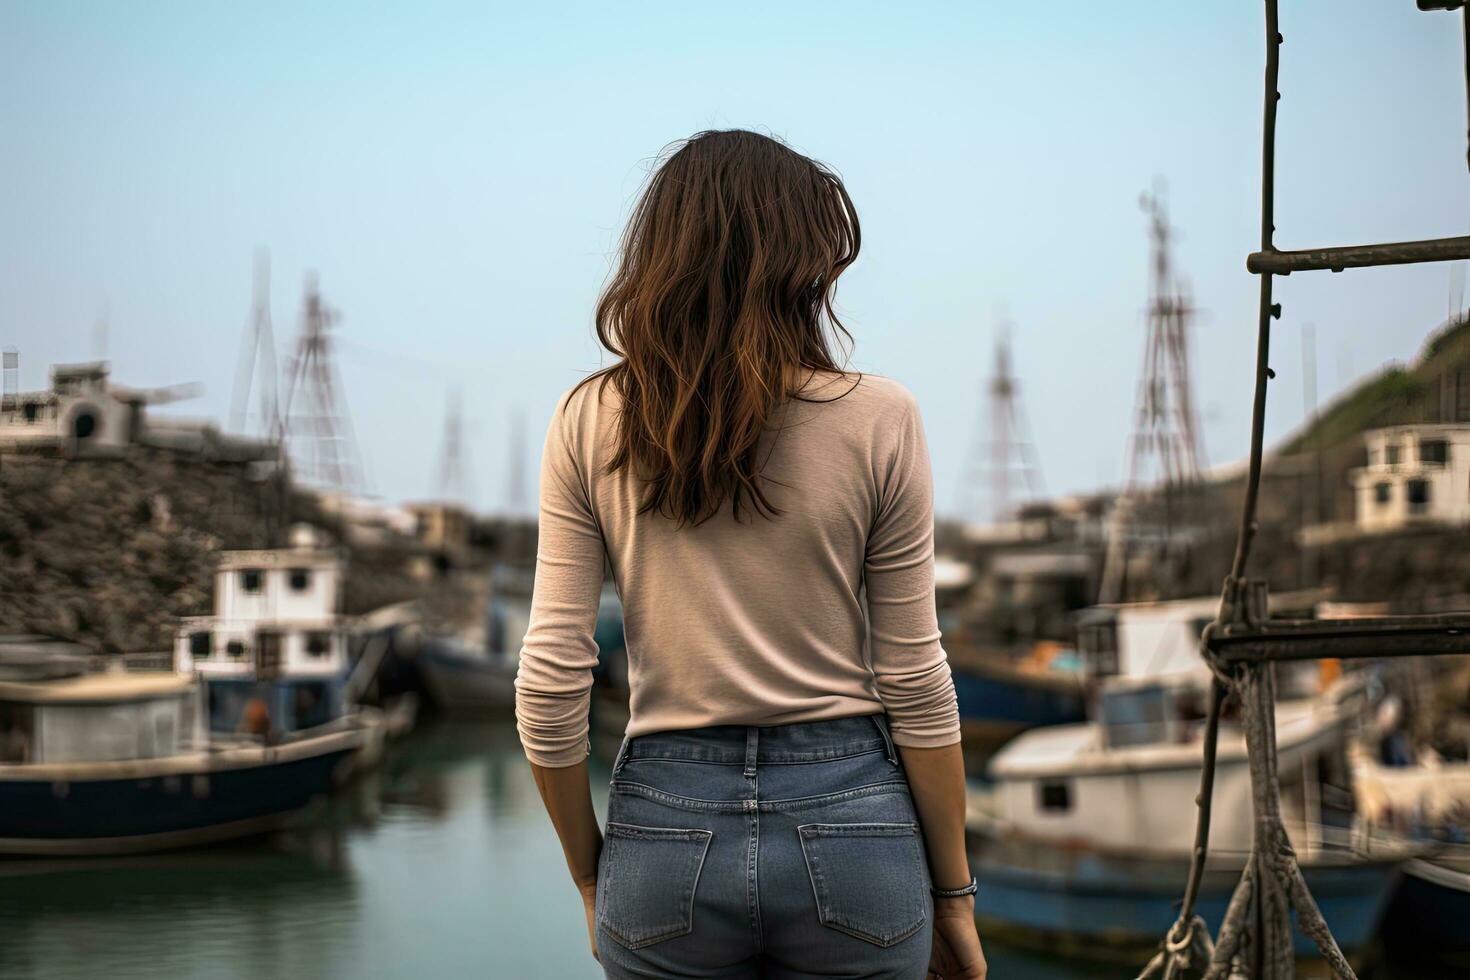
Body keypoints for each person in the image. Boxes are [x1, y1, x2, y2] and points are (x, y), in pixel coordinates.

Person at [514, 129, 987, 980]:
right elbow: (916, 678)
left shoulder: (588, 418)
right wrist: (953, 898)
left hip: (661, 830)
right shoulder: (880, 418)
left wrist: (591, 876)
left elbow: (550, 683)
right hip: (854, 823)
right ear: (800, 264)